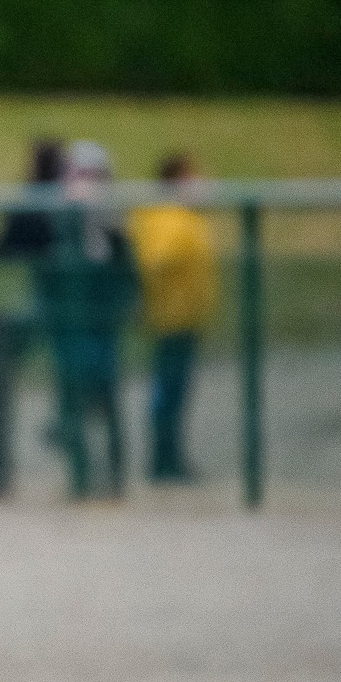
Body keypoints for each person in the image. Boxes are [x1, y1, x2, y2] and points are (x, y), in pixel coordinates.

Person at [38, 140, 136, 498]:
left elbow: (127, 276)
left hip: (100, 324)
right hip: (68, 324)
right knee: (71, 396)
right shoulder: (58, 220)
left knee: (107, 395)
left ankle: (113, 476)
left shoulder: (114, 228)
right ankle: (80, 477)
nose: (87, 185)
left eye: (95, 177)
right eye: (81, 175)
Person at [129, 152, 217, 482]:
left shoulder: (184, 217)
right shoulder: (170, 218)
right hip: (170, 318)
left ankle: (170, 456)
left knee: (176, 391)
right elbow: (155, 261)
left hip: (185, 318)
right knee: (168, 391)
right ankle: (164, 459)